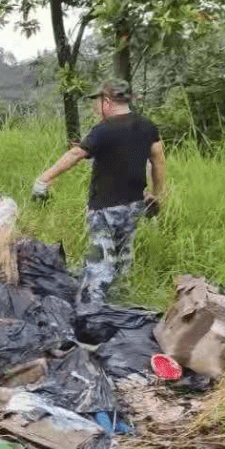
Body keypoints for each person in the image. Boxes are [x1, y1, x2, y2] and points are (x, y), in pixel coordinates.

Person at [32, 78, 166, 306]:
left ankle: (92, 311)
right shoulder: (147, 126)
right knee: (123, 255)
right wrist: (157, 193)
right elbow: (158, 160)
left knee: (100, 261)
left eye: (97, 103)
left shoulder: (104, 129)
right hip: (134, 205)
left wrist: (45, 178)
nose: (95, 108)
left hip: (104, 208)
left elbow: (75, 155)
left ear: (107, 101)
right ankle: (120, 300)